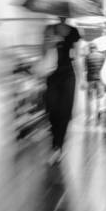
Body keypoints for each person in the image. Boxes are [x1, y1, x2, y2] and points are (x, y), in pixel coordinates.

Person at [42, 16, 82, 164]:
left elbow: (76, 56)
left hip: (68, 76)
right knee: (52, 109)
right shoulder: (49, 29)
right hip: (52, 75)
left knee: (65, 111)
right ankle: (55, 140)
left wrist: (81, 78)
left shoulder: (74, 31)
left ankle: (58, 146)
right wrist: (51, 43)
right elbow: (43, 51)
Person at [85, 42, 105, 122]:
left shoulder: (87, 56)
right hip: (99, 79)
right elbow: (104, 67)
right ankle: (99, 109)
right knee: (99, 96)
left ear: (90, 48)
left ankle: (90, 115)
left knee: (90, 98)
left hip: (90, 79)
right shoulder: (102, 56)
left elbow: (85, 68)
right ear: (96, 48)